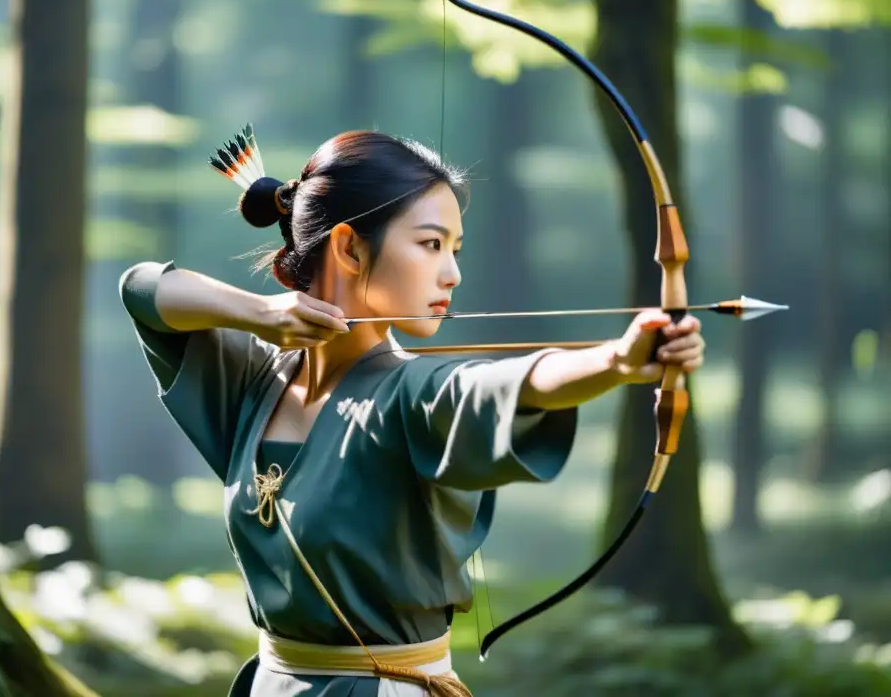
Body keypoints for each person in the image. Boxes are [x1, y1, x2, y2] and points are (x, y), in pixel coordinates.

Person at [118, 128, 705, 696]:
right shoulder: (253, 380)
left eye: (454, 249)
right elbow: (142, 288)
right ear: (349, 247)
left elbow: (509, 384)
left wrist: (619, 360)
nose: (452, 273)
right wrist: (259, 314)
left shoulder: (412, 393)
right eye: (430, 244)